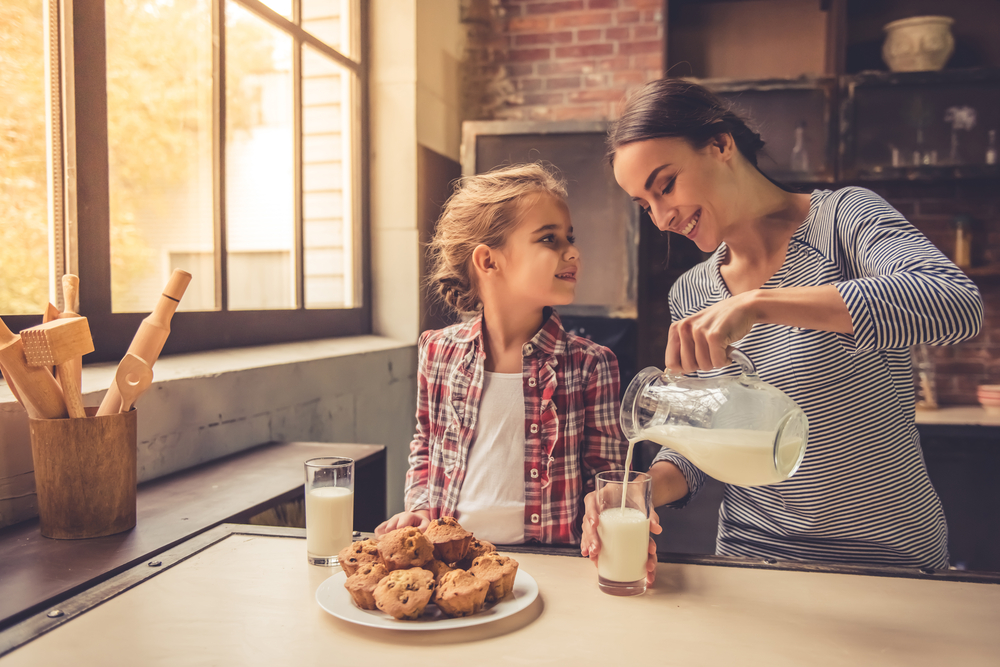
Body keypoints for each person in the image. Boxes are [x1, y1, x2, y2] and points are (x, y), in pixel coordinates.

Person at [582, 78, 983, 575]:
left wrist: (761, 303)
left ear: (720, 145)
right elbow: (698, 438)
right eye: (645, 204)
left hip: (889, 557)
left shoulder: (843, 221)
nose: (661, 217)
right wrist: (641, 491)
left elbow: (954, 303)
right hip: (754, 557)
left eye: (666, 185)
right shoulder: (690, 294)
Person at [375, 163, 629, 546]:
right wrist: (421, 507)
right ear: (488, 261)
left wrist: (609, 514)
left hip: (554, 564)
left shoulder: (592, 364)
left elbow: (607, 475)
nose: (573, 252)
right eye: (549, 239)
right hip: (455, 563)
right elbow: (427, 444)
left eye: (570, 238)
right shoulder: (437, 350)